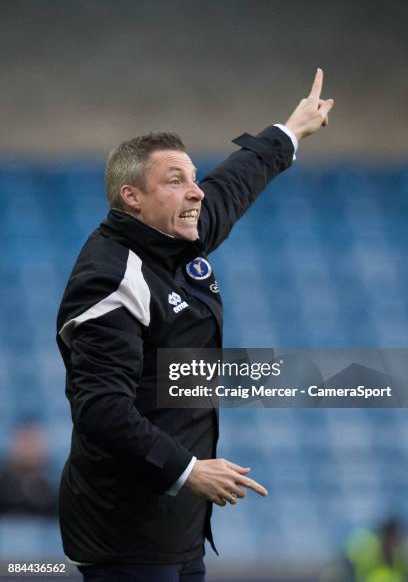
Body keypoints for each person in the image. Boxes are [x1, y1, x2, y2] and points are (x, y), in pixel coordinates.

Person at [56, 69, 333, 581]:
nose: (196, 193)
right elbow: (100, 408)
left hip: (178, 527)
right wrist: (188, 469)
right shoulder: (112, 279)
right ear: (131, 197)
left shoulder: (173, 239)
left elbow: (230, 186)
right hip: (126, 536)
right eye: (176, 181)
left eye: (193, 178)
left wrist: (291, 131)